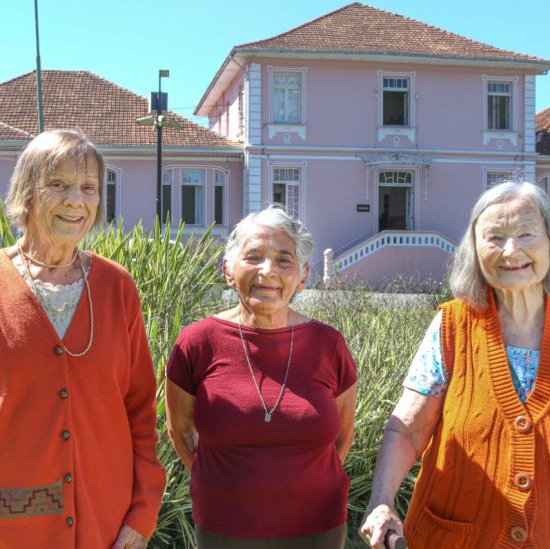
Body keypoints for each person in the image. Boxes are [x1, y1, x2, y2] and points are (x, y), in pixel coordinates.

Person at [359, 181, 550, 548]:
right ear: (475, 249)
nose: (511, 251)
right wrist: (381, 502)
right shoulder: (452, 326)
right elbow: (408, 430)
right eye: (494, 237)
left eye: (526, 233)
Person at [0, 129, 165, 548]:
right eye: (58, 184)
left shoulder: (116, 286)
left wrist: (142, 515)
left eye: (89, 188)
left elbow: (140, 411)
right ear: (28, 192)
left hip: (106, 524)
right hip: (14, 526)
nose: (76, 200)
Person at [166, 205, 357, 548]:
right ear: (227, 269)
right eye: (254, 256)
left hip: (318, 528)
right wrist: (222, 485)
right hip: (224, 527)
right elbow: (180, 431)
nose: (268, 270)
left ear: (302, 277)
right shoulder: (197, 342)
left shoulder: (329, 345)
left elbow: (341, 439)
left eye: (284, 260)